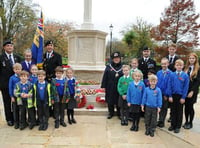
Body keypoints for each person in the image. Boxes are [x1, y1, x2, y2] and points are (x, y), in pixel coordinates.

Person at [0, 39, 21, 126]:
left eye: (11, 46)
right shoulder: (1, 58)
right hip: (5, 84)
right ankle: (9, 119)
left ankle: (17, 118)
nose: (9, 47)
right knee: (7, 102)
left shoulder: (17, 57)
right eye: (8, 46)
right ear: (4, 47)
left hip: (17, 85)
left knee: (17, 102)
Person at [168, 59, 189, 133]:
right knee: (173, 111)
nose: (179, 66)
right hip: (173, 95)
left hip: (180, 96)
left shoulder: (185, 76)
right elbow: (169, 85)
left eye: (180, 65)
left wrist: (183, 97)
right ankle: (172, 125)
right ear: (175, 66)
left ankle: (178, 126)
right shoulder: (172, 75)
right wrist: (170, 96)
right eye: (177, 65)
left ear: (183, 66)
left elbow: (186, 87)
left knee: (179, 111)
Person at [42, 40, 62, 118]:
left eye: (51, 45)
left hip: (54, 79)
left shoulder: (57, 56)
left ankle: (55, 112)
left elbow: (60, 68)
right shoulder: (42, 56)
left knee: (54, 95)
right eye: (48, 45)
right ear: (46, 47)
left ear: (53, 47)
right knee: (47, 95)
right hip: (45, 79)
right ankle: (48, 111)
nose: (49, 47)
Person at [101, 51, 123, 119]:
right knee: (110, 100)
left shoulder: (123, 67)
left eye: (117, 58)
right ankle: (111, 113)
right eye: (114, 58)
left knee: (118, 101)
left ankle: (119, 113)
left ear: (120, 59)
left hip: (119, 87)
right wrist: (103, 86)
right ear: (112, 59)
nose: (116, 59)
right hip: (110, 87)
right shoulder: (108, 67)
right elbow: (105, 77)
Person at [183, 53, 200, 129]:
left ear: (195, 59)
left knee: (190, 107)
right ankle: (186, 121)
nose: (191, 60)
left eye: (193, 58)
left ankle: (190, 122)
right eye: (190, 58)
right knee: (186, 107)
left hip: (192, 91)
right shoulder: (186, 68)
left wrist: (192, 91)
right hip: (186, 90)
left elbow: (197, 82)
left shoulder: (198, 69)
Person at [156, 58, 172, 128]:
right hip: (158, 93)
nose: (163, 65)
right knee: (159, 106)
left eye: (165, 64)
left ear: (168, 64)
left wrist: (166, 94)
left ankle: (162, 121)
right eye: (162, 64)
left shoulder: (171, 73)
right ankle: (159, 119)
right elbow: (156, 83)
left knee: (164, 108)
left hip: (165, 94)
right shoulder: (158, 72)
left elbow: (170, 85)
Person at [8, 63, 22, 129]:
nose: (18, 70)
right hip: (15, 97)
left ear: (21, 69)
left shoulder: (22, 77)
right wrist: (12, 96)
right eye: (16, 69)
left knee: (22, 109)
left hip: (21, 97)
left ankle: (22, 121)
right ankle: (16, 123)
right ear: (14, 70)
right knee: (15, 110)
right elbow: (10, 87)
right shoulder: (12, 78)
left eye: (19, 69)